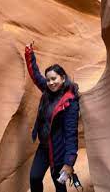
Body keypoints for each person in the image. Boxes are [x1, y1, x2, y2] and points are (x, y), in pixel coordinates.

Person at [25, 43, 80, 192]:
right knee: (34, 178)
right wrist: (29, 54)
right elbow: (36, 76)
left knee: (59, 185)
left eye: (54, 79)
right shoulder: (48, 91)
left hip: (59, 150)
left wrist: (69, 163)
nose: (50, 83)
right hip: (44, 147)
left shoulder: (70, 102)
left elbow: (71, 134)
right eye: (48, 79)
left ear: (62, 78)